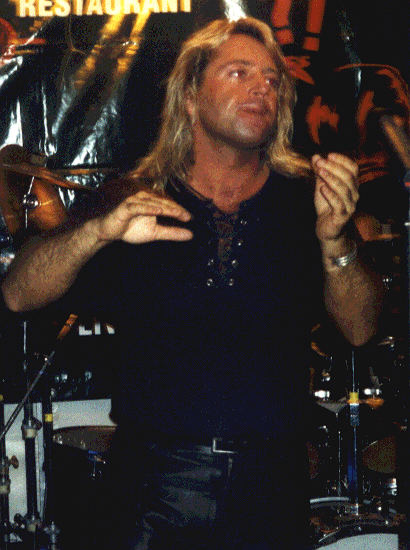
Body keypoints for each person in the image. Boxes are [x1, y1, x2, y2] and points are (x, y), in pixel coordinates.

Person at [1, 17, 383, 550]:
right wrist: (95, 232)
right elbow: (18, 292)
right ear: (190, 96)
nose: (262, 88)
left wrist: (336, 240)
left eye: (272, 79)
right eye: (239, 72)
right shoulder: (133, 198)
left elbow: (362, 329)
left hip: (271, 485)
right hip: (153, 486)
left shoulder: (305, 202)